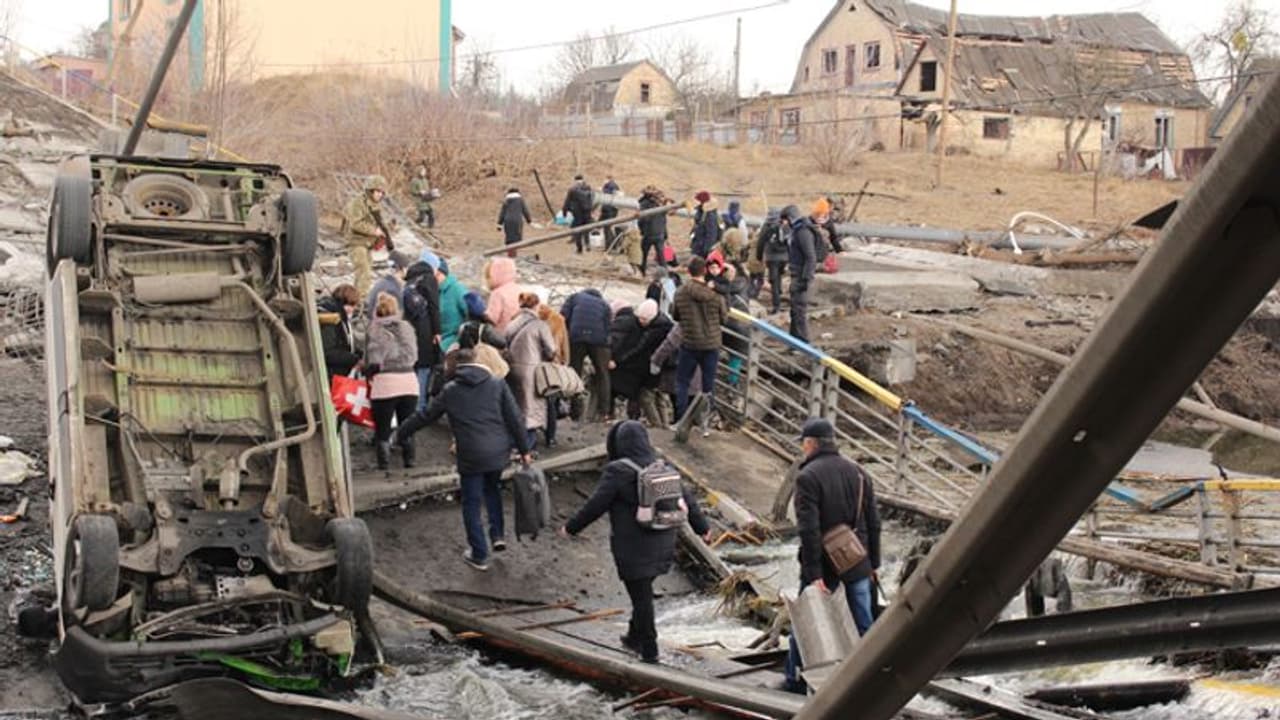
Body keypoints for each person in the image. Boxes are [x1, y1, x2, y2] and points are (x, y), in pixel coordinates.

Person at [559, 421, 711, 664]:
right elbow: (688, 499)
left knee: (641, 596)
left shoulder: (618, 471)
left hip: (633, 546)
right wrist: (702, 528)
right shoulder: (662, 466)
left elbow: (596, 505)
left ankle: (649, 651)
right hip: (663, 539)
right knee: (643, 590)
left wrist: (571, 527)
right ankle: (633, 635)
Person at [394, 347, 532, 571]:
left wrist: (400, 433)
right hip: (498, 452)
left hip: (470, 455)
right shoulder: (497, 384)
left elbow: (425, 416)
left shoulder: (451, 390)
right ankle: (497, 535)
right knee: (493, 489)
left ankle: (479, 554)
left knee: (471, 502)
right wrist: (524, 449)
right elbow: (515, 418)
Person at [784, 417, 881, 692]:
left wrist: (813, 574)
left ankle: (793, 679)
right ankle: (867, 681)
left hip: (824, 567)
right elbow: (874, 522)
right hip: (857, 560)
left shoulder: (807, 477)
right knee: (863, 622)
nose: (803, 449)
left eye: (804, 443)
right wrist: (874, 563)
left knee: (806, 623)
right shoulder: (860, 472)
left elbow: (809, 529)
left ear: (811, 444)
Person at [365, 292, 420, 469]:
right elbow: (414, 356)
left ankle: (384, 464)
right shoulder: (407, 328)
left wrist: (367, 370)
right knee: (407, 425)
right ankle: (409, 460)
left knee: (382, 428)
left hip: (385, 384)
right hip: (409, 382)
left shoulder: (374, 330)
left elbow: (373, 361)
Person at [671, 256, 727, 424]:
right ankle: (707, 420)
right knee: (708, 385)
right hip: (711, 344)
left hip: (689, 343)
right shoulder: (715, 294)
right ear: (705, 271)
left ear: (688, 271)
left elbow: (676, 316)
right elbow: (723, 318)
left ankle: (681, 419)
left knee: (682, 382)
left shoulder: (680, 292)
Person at [504, 292, 558, 450]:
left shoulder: (512, 323)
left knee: (516, 405)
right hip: (531, 370)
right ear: (537, 305)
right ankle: (527, 444)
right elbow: (551, 350)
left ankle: (513, 441)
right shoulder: (540, 325)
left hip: (512, 368)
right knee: (532, 408)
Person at [612, 299, 672, 424]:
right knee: (658, 398)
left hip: (653, 368)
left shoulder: (654, 332)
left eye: (644, 319)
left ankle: (657, 425)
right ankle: (664, 426)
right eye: (640, 318)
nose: (641, 322)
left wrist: (620, 359)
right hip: (658, 367)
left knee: (646, 397)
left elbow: (638, 348)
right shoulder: (664, 326)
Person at [561, 287, 613, 422]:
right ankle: (604, 412)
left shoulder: (575, 297)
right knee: (603, 374)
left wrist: (566, 338)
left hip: (576, 337)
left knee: (574, 372)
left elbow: (563, 317)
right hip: (598, 340)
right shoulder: (604, 305)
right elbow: (608, 327)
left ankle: (574, 410)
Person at [403, 250, 442, 413]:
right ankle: (420, 407)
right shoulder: (429, 278)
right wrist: (437, 331)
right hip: (424, 329)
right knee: (424, 367)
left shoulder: (410, 278)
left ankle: (409, 404)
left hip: (409, 327)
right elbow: (434, 306)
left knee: (412, 366)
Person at [342, 175, 392, 296]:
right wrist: (374, 231)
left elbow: (378, 221)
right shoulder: (358, 203)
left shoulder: (375, 204)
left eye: (382, 192)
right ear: (370, 190)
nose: (380, 195)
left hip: (367, 243)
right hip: (356, 242)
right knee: (364, 272)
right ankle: (361, 300)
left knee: (365, 272)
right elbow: (355, 223)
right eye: (378, 191)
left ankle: (356, 298)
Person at [783, 204, 820, 343]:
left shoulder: (803, 232)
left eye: (784, 220)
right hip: (796, 275)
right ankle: (794, 342)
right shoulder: (796, 231)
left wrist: (805, 279)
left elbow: (810, 257)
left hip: (801, 277)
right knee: (794, 311)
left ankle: (803, 343)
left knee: (799, 312)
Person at [537, 295, 570, 448]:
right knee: (552, 401)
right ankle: (551, 437)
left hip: (536, 365)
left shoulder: (530, 319)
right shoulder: (558, 320)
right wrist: (565, 362)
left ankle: (537, 432)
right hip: (553, 365)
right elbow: (564, 344)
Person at [317, 283, 362, 380]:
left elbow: (347, 344)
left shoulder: (342, 319)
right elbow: (329, 352)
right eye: (351, 305)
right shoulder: (330, 319)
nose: (353, 310)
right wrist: (354, 359)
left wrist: (359, 355)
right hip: (332, 375)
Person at [755, 208, 789, 314]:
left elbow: (760, 242)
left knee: (773, 280)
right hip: (784, 257)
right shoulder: (785, 225)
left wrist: (759, 256)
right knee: (779, 277)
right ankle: (778, 294)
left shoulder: (766, 226)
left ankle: (776, 305)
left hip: (772, 257)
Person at [364, 250, 414, 321]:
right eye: (407, 267)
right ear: (401, 268)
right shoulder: (393, 290)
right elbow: (397, 318)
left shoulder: (382, 282)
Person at [436, 259, 470, 352]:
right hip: (438, 342)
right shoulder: (432, 290)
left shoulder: (457, 289)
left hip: (453, 343)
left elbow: (471, 313)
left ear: (439, 273)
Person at [483, 256, 522, 333]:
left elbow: (492, 318)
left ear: (495, 276)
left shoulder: (497, 294)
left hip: (503, 335)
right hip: (519, 334)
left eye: (488, 277)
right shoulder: (518, 289)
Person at [637, 185, 668, 274]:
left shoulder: (644, 204)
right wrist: (665, 234)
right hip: (660, 233)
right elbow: (664, 220)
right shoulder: (661, 204)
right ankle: (665, 274)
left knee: (643, 254)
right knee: (661, 256)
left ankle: (642, 272)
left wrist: (642, 231)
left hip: (649, 233)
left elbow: (642, 220)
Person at [562, 174, 595, 254]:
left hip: (577, 213)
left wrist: (564, 212)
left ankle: (579, 249)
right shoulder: (588, 187)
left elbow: (567, 202)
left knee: (577, 230)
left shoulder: (572, 189)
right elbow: (592, 199)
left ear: (575, 180)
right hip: (587, 212)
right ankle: (587, 245)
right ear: (583, 179)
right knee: (586, 228)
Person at [497, 187, 532, 257]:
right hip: (517, 221)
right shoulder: (520, 200)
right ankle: (513, 256)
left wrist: (499, 224)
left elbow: (502, 213)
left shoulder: (506, 201)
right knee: (516, 239)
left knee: (509, 238)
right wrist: (529, 221)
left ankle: (510, 255)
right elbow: (525, 211)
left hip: (508, 221)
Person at [689, 190, 721, 259]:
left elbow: (711, 235)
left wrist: (706, 251)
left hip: (702, 249)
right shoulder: (701, 211)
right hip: (698, 244)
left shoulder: (710, 216)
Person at [599, 175, 621, 245]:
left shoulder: (610, 186)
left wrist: (602, 190)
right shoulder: (614, 186)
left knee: (607, 228)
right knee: (608, 228)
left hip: (609, 210)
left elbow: (608, 196)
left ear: (608, 179)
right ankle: (612, 244)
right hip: (611, 210)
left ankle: (610, 244)